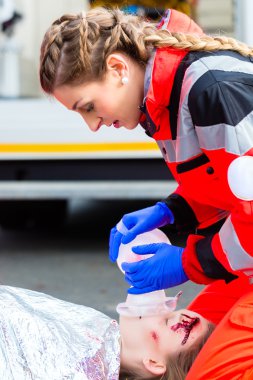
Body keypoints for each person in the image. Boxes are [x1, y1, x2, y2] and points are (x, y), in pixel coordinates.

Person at [39, 6, 253, 294]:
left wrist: (190, 263)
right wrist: (173, 211)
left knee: (210, 339)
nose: (92, 125)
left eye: (88, 107)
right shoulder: (165, 98)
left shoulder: (209, 92)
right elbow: (226, 181)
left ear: (118, 69)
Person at [0, 275, 251, 379]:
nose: (160, 308)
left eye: (165, 322)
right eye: (171, 310)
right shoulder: (93, 338)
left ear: (153, 363)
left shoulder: (79, 362)